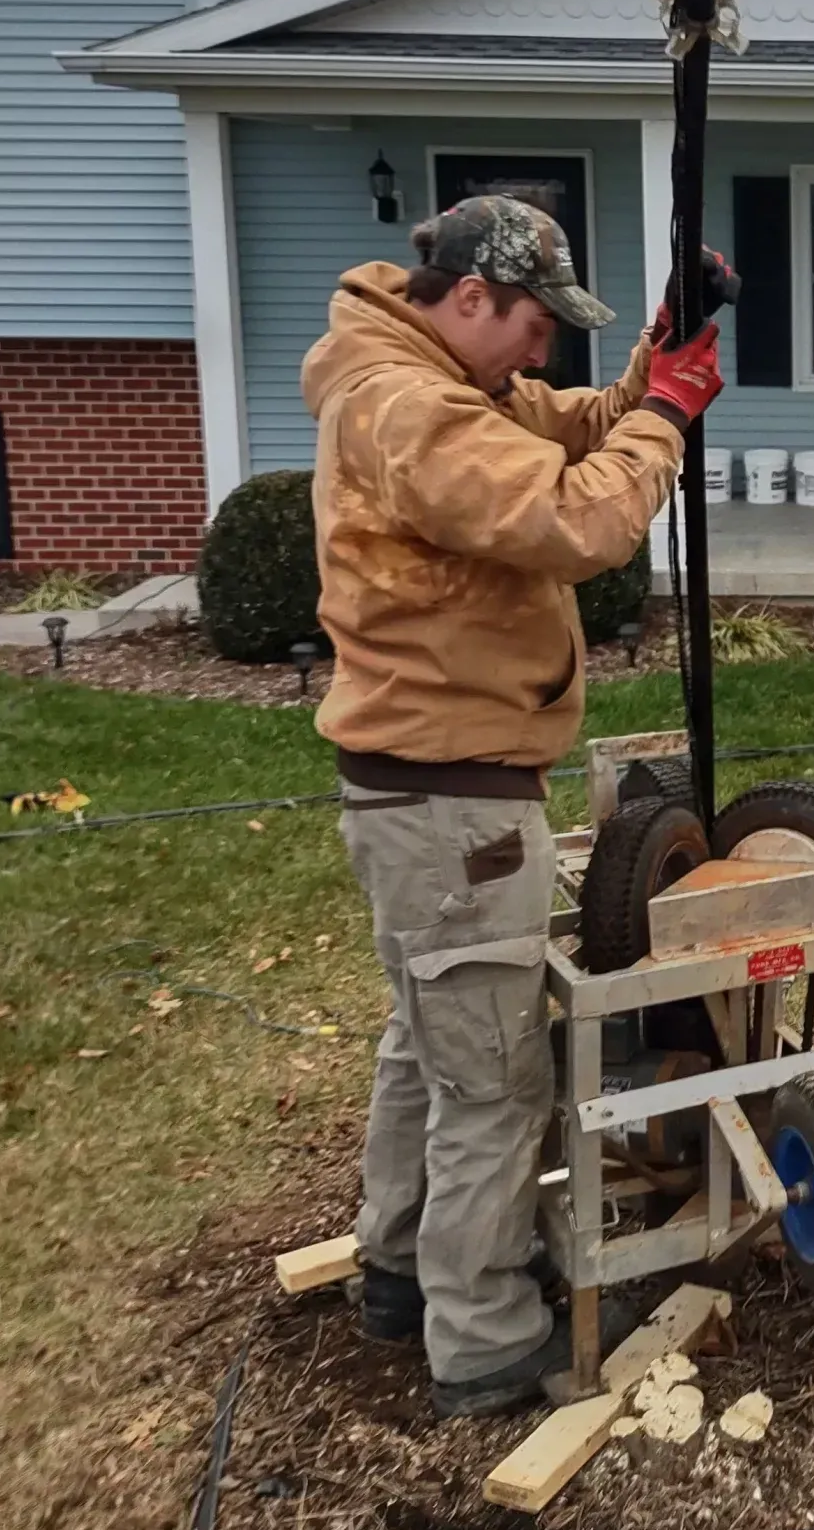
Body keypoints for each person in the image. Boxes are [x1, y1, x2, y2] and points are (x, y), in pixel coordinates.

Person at [301, 194, 724, 1418]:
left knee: (428, 1049)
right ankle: (486, 1333)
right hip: (453, 804)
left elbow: (582, 424)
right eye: (535, 325)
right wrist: (671, 422)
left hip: (423, 793)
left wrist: (659, 351)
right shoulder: (408, 407)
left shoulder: (448, 383)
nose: (544, 355)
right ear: (470, 299)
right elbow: (574, 514)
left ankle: (398, 1267)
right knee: (494, 1082)